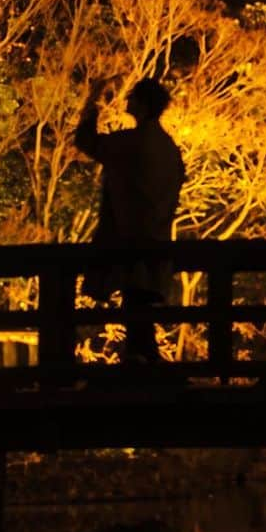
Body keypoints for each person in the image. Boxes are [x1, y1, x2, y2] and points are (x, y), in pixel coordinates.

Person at [74, 77, 185, 362]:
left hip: (130, 243)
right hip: (158, 242)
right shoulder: (169, 149)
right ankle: (145, 363)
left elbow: (87, 141)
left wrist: (93, 100)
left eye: (133, 97)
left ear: (144, 105)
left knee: (136, 311)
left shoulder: (132, 143)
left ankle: (140, 368)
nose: (127, 102)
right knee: (141, 314)